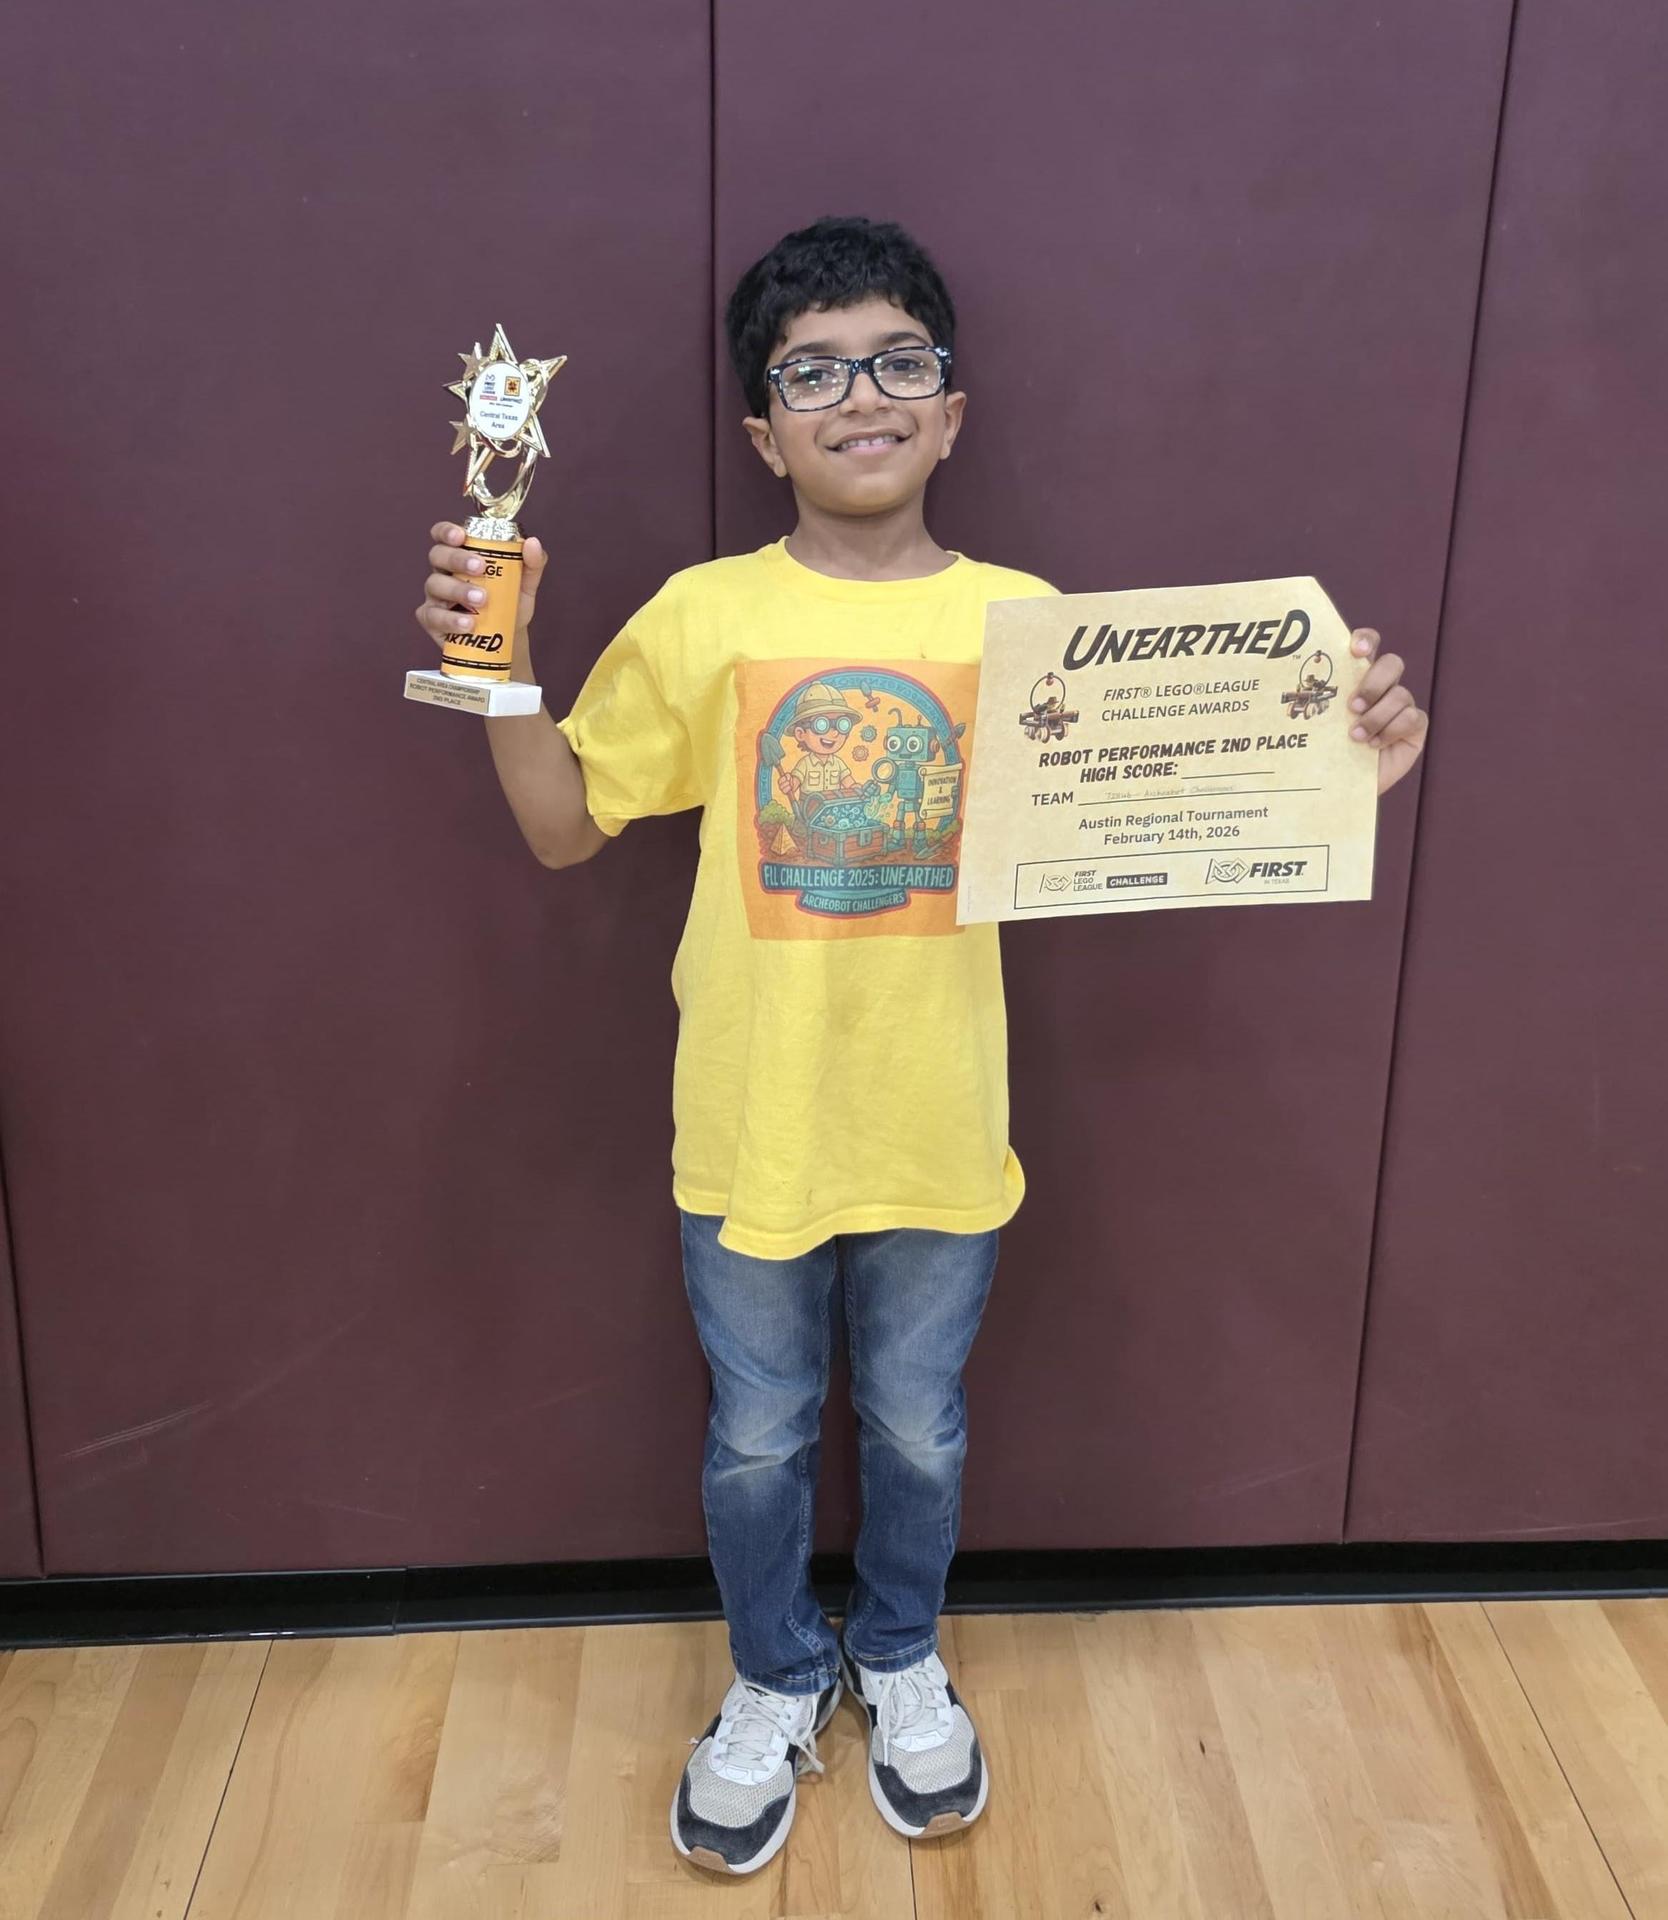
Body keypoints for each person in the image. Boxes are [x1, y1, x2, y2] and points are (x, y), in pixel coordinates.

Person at [413, 215, 1430, 1878]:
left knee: (917, 1427)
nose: (861, 396)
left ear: (952, 410)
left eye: (897, 362)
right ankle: (772, 1674)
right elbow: (562, 826)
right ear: (764, 432)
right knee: (756, 1437)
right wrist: (501, 665)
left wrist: (1336, 761)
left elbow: (1167, 815)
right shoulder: (706, 614)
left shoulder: (1031, 627)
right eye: (812, 373)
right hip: (751, 1120)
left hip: (943, 1123)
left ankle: (896, 1653)